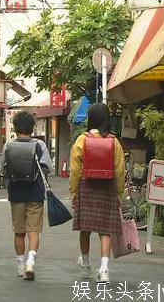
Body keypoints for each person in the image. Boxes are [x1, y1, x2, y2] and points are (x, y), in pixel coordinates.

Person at [69, 102, 125, 283]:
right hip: (107, 187)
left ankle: (85, 264)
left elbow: (75, 169)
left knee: (85, 228)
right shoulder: (114, 141)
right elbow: (119, 170)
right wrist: (119, 192)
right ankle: (104, 269)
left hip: (87, 186)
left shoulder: (82, 139)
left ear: (90, 118)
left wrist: (74, 190)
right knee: (105, 230)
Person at [0, 111, 52, 281]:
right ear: (33, 127)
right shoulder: (40, 145)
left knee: (19, 231)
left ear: (15, 127)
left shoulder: (8, 145)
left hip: (16, 193)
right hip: (35, 192)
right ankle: (31, 260)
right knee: (34, 230)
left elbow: (3, 171)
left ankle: (21, 265)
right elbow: (47, 167)